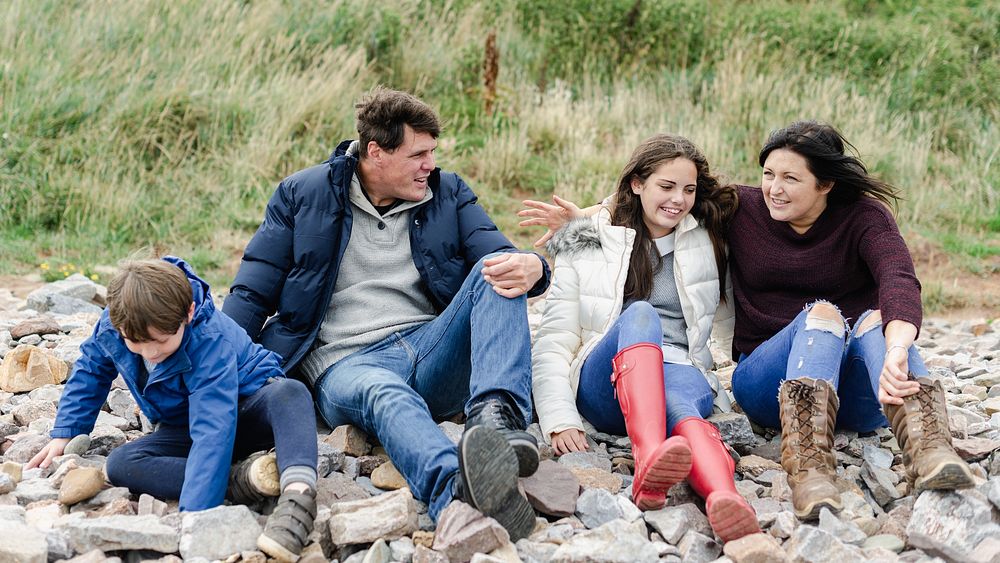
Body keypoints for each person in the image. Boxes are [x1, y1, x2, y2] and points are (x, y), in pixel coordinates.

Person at [521, 120, 975, 522]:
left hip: (842, 385)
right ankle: (809, 470)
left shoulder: (860, 219)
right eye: (768, 175)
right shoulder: (744, 209)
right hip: (766, 380)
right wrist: (586, 219)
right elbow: (651, 196)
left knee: (875, 320)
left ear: (826, 185)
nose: (774, 188)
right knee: (819, 315)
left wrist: (896, 351)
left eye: (791, 178)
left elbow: (899, 278)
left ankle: (930, 449)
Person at [222, 87, 551, 540]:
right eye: (418, 154)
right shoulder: (303, 195)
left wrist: (535, 265)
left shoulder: (448, 192)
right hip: (346, 363)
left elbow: (497, 253)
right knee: (386, 394)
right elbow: (252, 293)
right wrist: (210, 370)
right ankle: (454, 492)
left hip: (430, 345)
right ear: (376, 152)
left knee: (498, 272)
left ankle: (495, 423)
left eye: (433, 152)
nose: (430, 165)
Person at [531, 134, 760, 542]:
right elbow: (554, 339)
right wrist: (559, 418)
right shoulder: (586, 239)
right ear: (637, 184)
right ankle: (649, 454)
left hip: (678, 369)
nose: (678, 200)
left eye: (688, 190)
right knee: (641, 314)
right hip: (606, 383)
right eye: (666, 187)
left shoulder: (708, 238)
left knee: (685, 412)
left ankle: (726, 499)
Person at [27, 257, 319, 562]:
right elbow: (91, 369)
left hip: (246, 411)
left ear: (188, 314)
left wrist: (194, 518)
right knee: (121, 463)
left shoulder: (209, 338)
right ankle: (241, 480)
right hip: (186, 425)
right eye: (136, 343)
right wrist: (66, 432)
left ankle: (296, 498)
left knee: (290, 393)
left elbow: (213, 428)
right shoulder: (117, 322)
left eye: (162, 342)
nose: (151, 352)